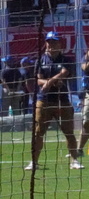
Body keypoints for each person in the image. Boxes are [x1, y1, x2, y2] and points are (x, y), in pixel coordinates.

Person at [26, 30, 83, 170]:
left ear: (59, 44)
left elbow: (65, 73)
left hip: (61, 100)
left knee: (68, 132)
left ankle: (74, 161)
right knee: (38, 132)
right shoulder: (40, 60)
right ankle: (34, 161)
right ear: (46, 43)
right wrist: (48, 82)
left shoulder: (66, 60)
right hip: (44, 100)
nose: (51, 45)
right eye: (49, 42)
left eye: (54, 42)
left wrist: (49, 82)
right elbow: (38, 79)